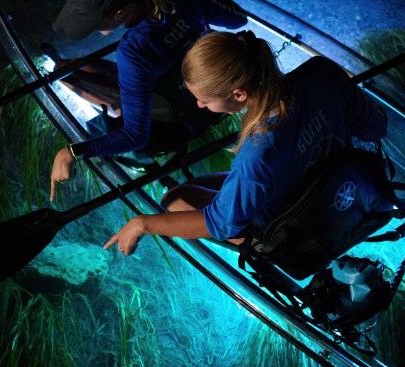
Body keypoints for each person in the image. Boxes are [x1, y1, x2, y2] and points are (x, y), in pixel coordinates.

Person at [103, 29, 388, 255]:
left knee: (174, 200)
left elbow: (221, 225)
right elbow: (375, 127)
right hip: (343, 187)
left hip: (304, 223)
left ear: (239, 94)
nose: (200, 105)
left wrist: (144, 223)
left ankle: (275, 256)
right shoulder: (321, 71)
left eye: (204, 100)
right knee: (202, 188)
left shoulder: (258, 149)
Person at [49, 0, 248, 201]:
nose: (97, 30)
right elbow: (239, 19)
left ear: (120, 13)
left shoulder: (133, 50)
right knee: (80, 70)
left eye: (95, 23)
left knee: (79, 79)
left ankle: (84, 85)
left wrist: (73, 151)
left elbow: (135, 136)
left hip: (178, 124)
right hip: (214, 97)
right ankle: (69, 70)